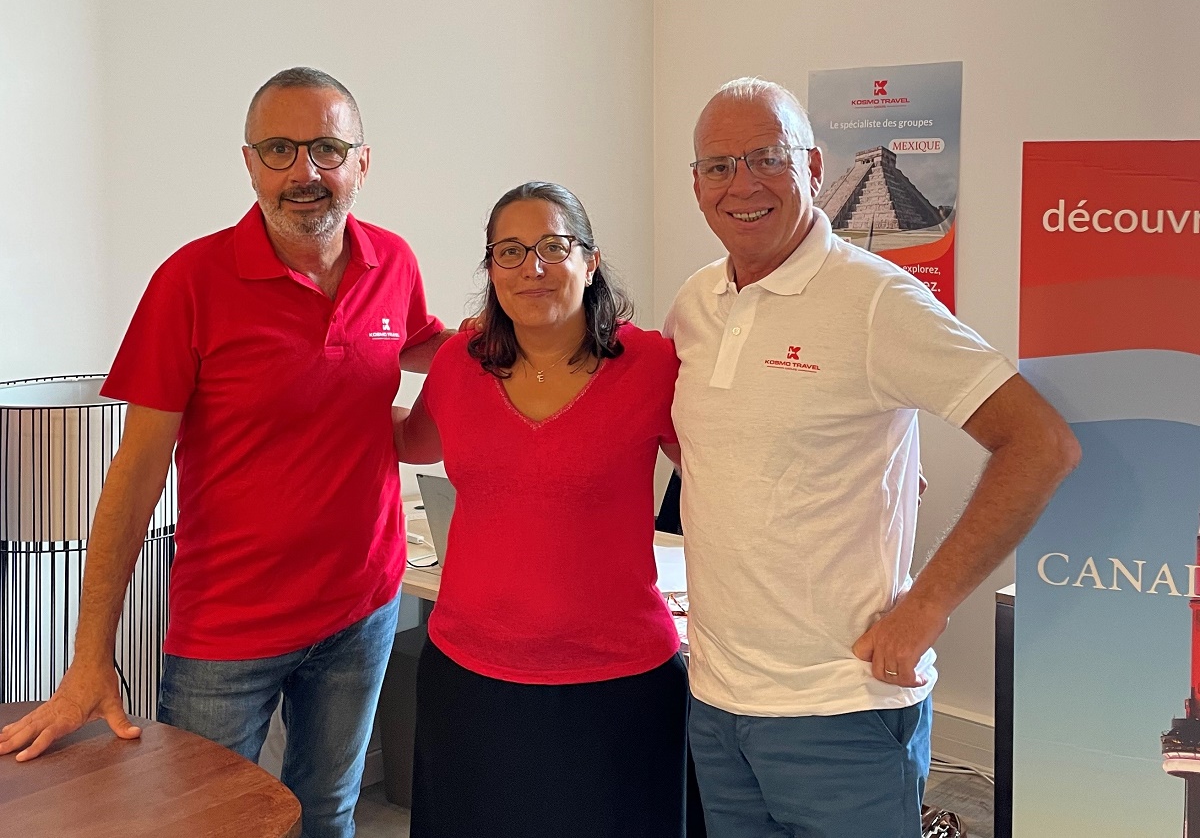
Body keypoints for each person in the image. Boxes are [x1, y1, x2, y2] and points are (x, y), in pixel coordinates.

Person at [0, 67, 450, 838]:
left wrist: (528, 330)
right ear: (249, 163)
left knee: (329, 813)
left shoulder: (394, 263)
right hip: (228, 630)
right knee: (198, 823)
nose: (304, 171)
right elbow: (135, 476)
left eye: (327, 149)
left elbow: (424, 347)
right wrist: (89, 656)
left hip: (363, 606)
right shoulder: (190, 281)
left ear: (362, 163)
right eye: (280, 149)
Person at [664, 77, 1081, 838]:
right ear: (695, 185)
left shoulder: (876, 301)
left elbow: (1041, 442)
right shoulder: (695, 303)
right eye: (718, 166)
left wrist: (927, 605)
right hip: (718, 700)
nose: (743, 184)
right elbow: (710, 437)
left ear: (814, 166)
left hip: (839, 710)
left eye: (767, 157)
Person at [392, 181, 689, 838]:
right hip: (470, 684)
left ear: (590, 260)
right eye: (510, 250)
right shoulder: (459, 364)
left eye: (554, 246)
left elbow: (721, 470)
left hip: (616, 685)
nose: (532, 267)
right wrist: (321, 387)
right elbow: (411, 441)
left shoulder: (650, 364)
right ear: (490, 268)